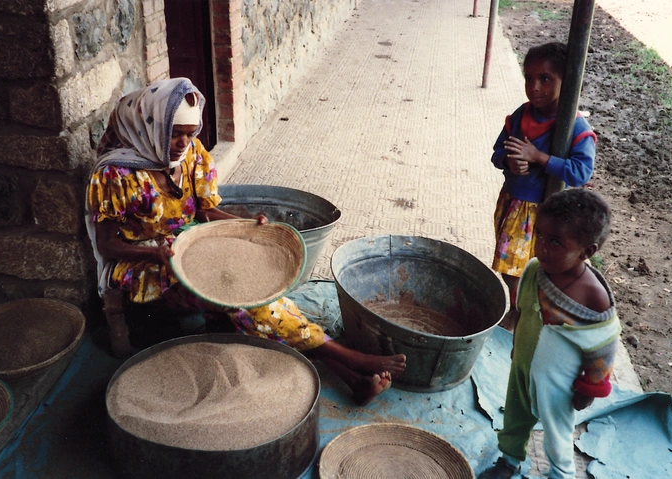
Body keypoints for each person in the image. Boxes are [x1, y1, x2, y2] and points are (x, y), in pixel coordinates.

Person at [85, 78, 406, 405]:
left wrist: (246, 225)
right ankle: (348, 359)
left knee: (251, 285)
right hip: (143, 261)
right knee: (239, 295)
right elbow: (107, 245)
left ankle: (351, 377)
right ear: (148, 126)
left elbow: (206, 213)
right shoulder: (116, 174)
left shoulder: (192, 155)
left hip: (194, 244)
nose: (184, 142)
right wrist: (158, 256)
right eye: (175, 133)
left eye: (189, 133)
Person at [479, 188, 621, 479]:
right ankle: (509, 460)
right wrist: (517, 346)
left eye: (555, 241)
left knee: (557, 436)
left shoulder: (593, 297)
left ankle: (560, 474)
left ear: (587, 251)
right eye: (540, 234)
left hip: (558, 384)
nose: (542, 247)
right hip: (522, 367)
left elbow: (603, 348)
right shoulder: (534, 270)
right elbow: (524, 310)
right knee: (515, 417)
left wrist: (590, 389)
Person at [490, 42, 597, 330]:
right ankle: (521, 308)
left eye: (545, 79)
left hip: (541, 214)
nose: (534, 87)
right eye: (529, 78)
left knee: (516, 267)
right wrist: (509, 162)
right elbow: (498, 152)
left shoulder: (575, 127)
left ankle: (523, 311)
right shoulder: (521, 115)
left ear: (567, 82)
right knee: (510, 264)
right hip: (511, 204)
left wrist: (539, 157)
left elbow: (581, 172)